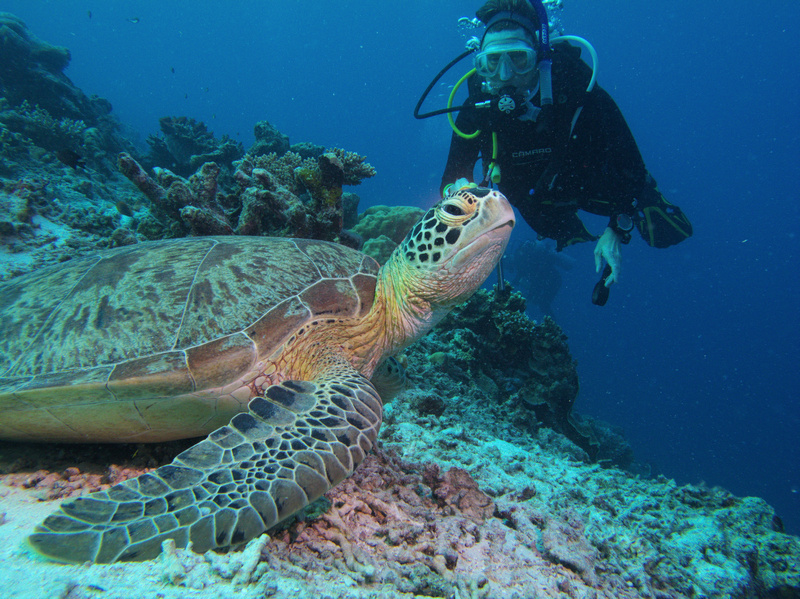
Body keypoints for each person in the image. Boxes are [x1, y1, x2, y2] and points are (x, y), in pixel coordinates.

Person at [440, 0, 692, 303]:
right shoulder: (477, 109)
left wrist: (617, 227)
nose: (505, 74)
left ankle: (639, 207)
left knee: (661, 229)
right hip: (536, 198)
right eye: (492, 62)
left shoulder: (576, 88)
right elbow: (453, 179)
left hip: (590, 183)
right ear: (479, 65)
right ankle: (572, 232)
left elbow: (631, 165)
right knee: (555, 229)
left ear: (540, 58)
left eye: (519, 59)